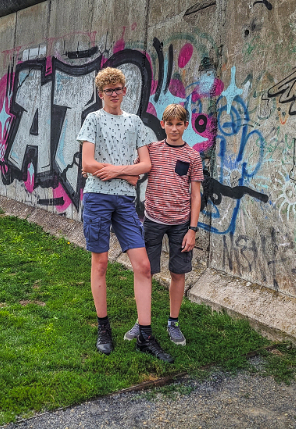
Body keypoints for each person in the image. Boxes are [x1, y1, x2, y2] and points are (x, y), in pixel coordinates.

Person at [76, 67, 173, 362]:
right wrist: (127, 173)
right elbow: (88, 163)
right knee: (101, 262)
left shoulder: (136, 123)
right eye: (108, 91)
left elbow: (146, 166)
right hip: (97, 198)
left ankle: (145, 335)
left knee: (143, 266)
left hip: (125, 202)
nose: (114, 94)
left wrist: (118, 171)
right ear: (100, 93)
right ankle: (103, 328)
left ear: (124, 91)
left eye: (118, 89)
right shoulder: (93, 119)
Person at [123, 103, 203, 347]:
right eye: (170, 124)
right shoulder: (152, 150)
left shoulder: (192, 156)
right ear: (163, 125)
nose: (174, 129)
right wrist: (104, 171)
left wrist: (192, 229)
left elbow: (196, 195)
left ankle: (173, 323)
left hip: (181, 224)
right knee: (145, 272)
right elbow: (132, 174)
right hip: (153, 221)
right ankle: (142, 321)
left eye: (179, 124)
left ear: (186, 125)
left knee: (178, 273)